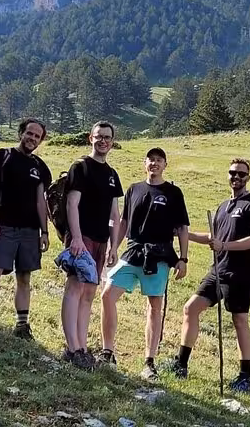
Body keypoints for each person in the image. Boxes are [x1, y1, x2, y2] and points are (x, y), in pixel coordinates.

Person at [169, 158, 250, 393]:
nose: (237, 178)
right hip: (218, 270)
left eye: (242, 174)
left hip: (242, 272)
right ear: (228, 175)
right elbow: (214, 238)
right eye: (233, 173)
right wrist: (185, 234)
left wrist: (225, 246)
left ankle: (245, 377)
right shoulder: (223, 207)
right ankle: (181, 364)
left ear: (248, 178)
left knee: (239, 320)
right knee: (190, 308)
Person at [97, 147, 189, 380]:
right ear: (144, 163)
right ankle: (108, 351)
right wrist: (113, 248)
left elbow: (181, 228)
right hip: (132, 252)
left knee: (154, 306)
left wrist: (182, 258)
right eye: (151, 160)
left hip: (159, 255)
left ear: (165, 165)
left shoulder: (173, 193)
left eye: (159, 161)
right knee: (107, 296)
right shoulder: (133, 189)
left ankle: (149, 362)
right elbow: (124, 221)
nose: (154, 164)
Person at [0, 118, 52, 342]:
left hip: (30, 231)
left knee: (24, 277)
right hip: (3, 226)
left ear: (41, 140)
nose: (32, 138)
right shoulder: (1, 156)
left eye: (37, 136)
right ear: (21, 133)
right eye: (29, 133)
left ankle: (22, 326)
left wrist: (44, 232)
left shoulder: (40, 167)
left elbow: (40, 202)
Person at [60, 121, 124, 370]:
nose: (103, 141)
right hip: (82, 237)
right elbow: (71, 204)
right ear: (90, 138)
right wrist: (75, 237)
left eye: (107, 137)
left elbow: (115, 215)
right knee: (75, 289)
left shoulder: (111, 175)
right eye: (99, 137)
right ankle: (72, 347)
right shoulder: (80, 167)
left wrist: (114, 245)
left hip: (101, 240)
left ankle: (83, 348)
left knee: (89, 294)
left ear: (112, 141)